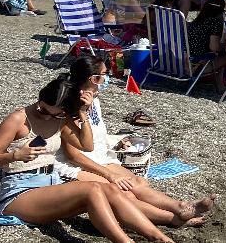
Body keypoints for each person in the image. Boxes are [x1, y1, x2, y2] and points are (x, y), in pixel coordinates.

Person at [0, 75, 174, 243]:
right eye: (43, 110)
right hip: (19, 191)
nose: (47, 117)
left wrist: (83, 114)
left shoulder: (59, 119)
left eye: (55, 114)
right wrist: (14, 155)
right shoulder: (18, 119)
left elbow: (86, 145)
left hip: (50, 184)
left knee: (109, 189)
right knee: (92, 188)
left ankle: (159, 237)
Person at [61, 57, 215, 227]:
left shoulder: (93, 99)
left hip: (98, 157)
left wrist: (116, 142)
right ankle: (173, 219)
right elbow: (73, 155)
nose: (108, 78)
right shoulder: (73, 106)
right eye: (105, 74)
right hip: (77, 165)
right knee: (123, 193)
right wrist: (109, 175)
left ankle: (181, 207)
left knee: (139, 183)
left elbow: (96, 134)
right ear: (93, 79)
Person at [186, 0, 226, 89]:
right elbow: (214, 48)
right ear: (221, 11)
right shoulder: (214, 23)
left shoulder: (197, 21)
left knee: (221, 54)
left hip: (185, 60)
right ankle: (222, 85)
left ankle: (219, 84)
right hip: (197, 63)